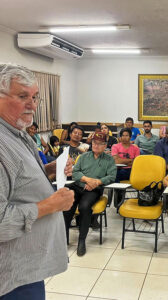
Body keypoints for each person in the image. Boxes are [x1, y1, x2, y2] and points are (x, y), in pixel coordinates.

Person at [0, 63, 74, 299]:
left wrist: (49, 170)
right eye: (23, 96)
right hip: (11, 277)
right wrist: (50, 206)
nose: (32, 105)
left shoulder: (18, 132)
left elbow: (17, 179)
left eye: (35, 97)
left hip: (27, 268)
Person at [64, 132, 117, 256]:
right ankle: (63, 239)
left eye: (99, 144)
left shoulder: (109, 160)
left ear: (105, 146)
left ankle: (82, 240)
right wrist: (87, 180)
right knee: (67, 205)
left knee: (84, 206)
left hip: (94, 190)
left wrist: (97, 182)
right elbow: (75, 173)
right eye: (94, 143)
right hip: (78, 186)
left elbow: (111, 176)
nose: (96, 146)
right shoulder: (83, 157)